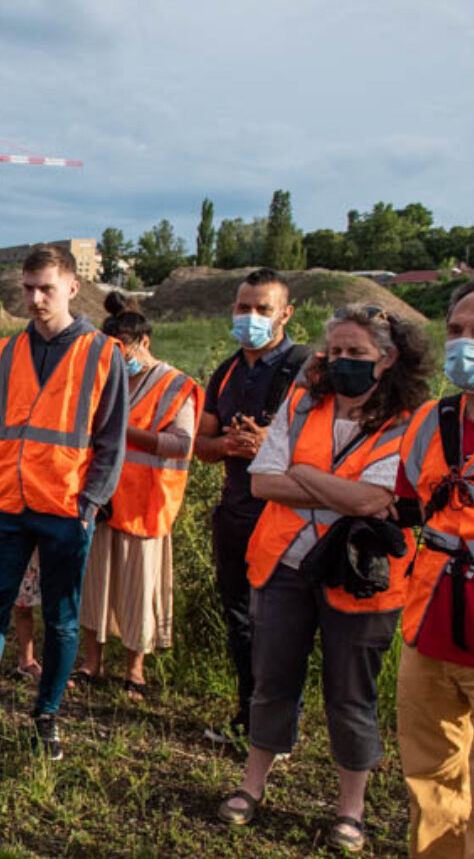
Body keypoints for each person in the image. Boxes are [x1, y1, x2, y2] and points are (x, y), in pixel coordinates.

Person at [216, 304, 428, 854]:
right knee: (272, 680)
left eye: (356, 353)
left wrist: (304, 475)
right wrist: (337, 490)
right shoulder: (303, 402)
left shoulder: (411, 419)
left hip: (360, 575)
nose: (343, 362)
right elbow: (263, 483)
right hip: (284, 564)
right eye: (335, 352)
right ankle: (251, 785)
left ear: (388, 358)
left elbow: (375, 499)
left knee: (350, 694)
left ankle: (350, 810)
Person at [0, 244, 127, 760]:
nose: (35, 298)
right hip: (4, 505)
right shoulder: (9, 352)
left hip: (65, 508)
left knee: (61, 619)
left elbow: (112, 440)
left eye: (45, 288)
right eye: (27, 288)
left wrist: (89, 505)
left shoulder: (103, 353)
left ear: (72, 287)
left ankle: (48, 716)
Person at [393, 275, 474, 859]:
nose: (468, 344)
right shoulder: (431, 422)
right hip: (430, 632)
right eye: (458, 331)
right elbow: (407, 504)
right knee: (430, 787)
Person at [193, 268, 313, 744]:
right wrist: (229, 446)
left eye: (262, 309)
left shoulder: (307, 369)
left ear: (286, 313)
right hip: (236, 512)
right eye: (243, 308)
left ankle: (280, 727)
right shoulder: (226, 372)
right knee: (239, 618)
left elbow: (326, 447)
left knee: (282, 624)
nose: (251, 317)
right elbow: (200, 445)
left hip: (287, 519)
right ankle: (248, 715)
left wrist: (269, 444)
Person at [73, 295, 201, 699]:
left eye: (122, 350)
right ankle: (91, 663)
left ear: (143, 342)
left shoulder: (176, 384)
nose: (117, 358)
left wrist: (123, 431)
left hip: (147, 503)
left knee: (137, 590)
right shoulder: (103, 377)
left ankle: (135, 671)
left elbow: (182, 445)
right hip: (102, 498)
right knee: (94, 585)